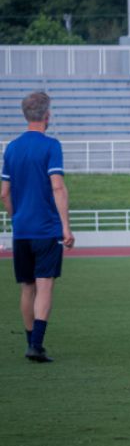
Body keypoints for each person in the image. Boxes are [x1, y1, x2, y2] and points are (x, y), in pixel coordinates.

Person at [1, 91, 74, 363]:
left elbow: (4, 193)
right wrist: (66, 227)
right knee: (44, 286)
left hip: (22, 230)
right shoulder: (51, 146)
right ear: (47, 115)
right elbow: (58, 186)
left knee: (27, 287)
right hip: (46, 229)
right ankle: (37, 345)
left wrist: (16, 217)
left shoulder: (12, 148)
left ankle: (29, 340)